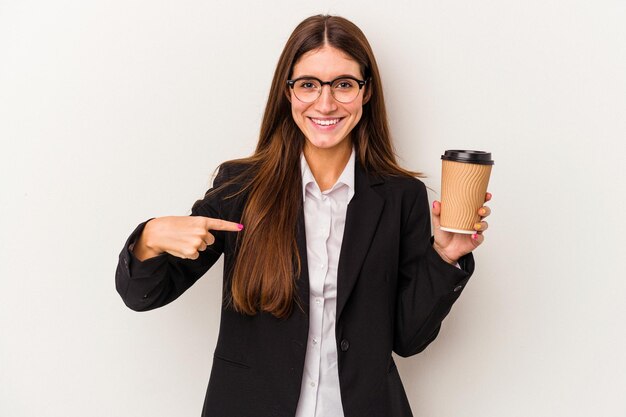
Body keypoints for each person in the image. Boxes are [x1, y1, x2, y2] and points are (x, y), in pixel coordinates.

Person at [115, 14, 492, 417]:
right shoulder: (241, 187)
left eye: (344, 84)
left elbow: (408, 338)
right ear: (288, 92)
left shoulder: (401, 197)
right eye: (308, 84)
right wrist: (150, 238)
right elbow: (143, 295)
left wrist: (445, 257)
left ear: (366, 93)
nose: (325, 103)